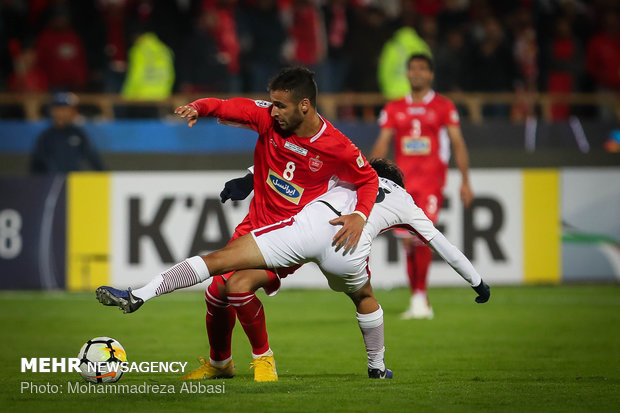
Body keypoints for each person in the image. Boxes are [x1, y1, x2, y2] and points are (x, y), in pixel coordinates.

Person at [96, 159, 491, 379]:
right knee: (364, 296)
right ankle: (377, 367)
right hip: (345, 250)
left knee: (219, 262)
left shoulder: (345, 171)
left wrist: (249, 178)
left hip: (305, 231)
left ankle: (140, 293)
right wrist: (477, 281)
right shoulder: (405, 200)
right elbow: (440, 243)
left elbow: (292, 164)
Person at [171, 67, 379, 381]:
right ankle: (220, 364)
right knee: (215, 292)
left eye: (281, 105)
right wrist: (198, 107)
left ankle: (264, 359)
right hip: (253, 225)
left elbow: (368, 179)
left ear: (304, 105)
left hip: (290, 236)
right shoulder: (267, 117)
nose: (274, 111)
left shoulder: (337, 145)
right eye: (272, 104)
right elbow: (228, 105)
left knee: (236, 288)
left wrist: (359, 216)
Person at [370, 54, 473, 320]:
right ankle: (419, 299)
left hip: (430, 183)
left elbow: (458, 143)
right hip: (401, 186)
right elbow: (383, 143)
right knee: (407, 241)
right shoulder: (394, 108)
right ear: (407, 74)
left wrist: (465, 181)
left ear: (431, 74)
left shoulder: (443, 106)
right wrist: (371, 175)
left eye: (422, 69)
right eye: (412, 68)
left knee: (421, 237)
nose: (416, 73)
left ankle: (420, 298)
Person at [30, 92, 104, 174]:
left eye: (66, 109)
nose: (63, 113)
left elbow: (92, 157)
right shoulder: (45, 136)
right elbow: (36, 163)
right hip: (51, 182)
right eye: (59, 109)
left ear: (72, 112)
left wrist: (104, 175)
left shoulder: (78, 133)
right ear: (53, 111)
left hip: (74, 181)